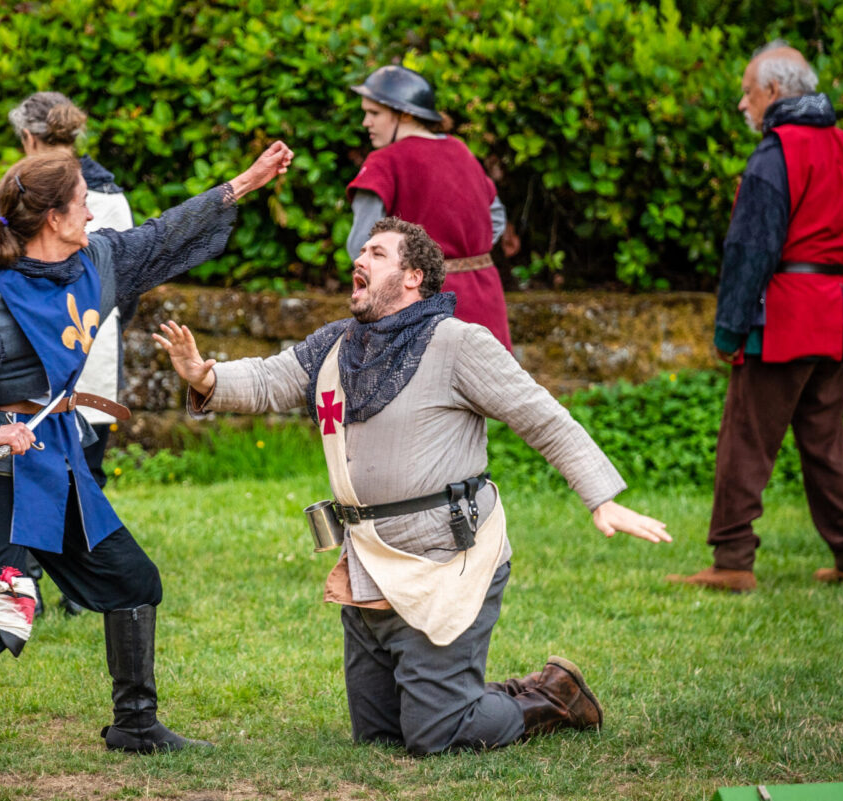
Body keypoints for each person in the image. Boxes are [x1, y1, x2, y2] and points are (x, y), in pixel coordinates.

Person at [0, 143, 293, 789]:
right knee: (5, 610)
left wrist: (242, 184)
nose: (91, 210)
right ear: (53, 216)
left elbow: (163, 236)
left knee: (133, 580)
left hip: (58, 463)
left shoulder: (97, 261)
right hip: (3, 476)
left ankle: (135, 724)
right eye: (81, 201)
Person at [154, 217, 669, 754]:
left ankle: (553, 696)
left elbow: (540, 416)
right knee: (377, 735)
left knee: (436, 735)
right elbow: (268, 379)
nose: (360, 259)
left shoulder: (459, 343)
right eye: (362, 251)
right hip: (370, 559)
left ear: (412, 277)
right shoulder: (335, 345)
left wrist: (600, 497)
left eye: (377, 253)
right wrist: (205, 377)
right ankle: (455, 695)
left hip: (446, 557)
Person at [667, 43, 843, 592]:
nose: (743, 103)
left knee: (746, 437)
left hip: (788, 319)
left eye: (748, 92)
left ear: (774, 91)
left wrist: (729, 329)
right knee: (824, 442)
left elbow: (750, 250)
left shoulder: (777, 154)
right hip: (838, 317)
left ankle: (732, 559)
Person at [0, 91, 136, 617]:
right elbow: (130, 284)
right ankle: (80, 586)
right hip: (94, 348)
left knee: (26, 470)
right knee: (85, 474)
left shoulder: (22, 191)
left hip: (30, 353)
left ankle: (26, 577)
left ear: (30, 139)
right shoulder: (112, 197)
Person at [346, 65, 513, 351]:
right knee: (489, 390)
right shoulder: (460, 151)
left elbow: (361, 248)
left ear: (406, 114)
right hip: (484, 298)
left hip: (419, 306)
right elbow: (495, 216)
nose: (365, 122)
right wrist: (465, 258)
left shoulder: (384, 162)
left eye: (374, 113)